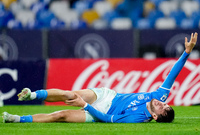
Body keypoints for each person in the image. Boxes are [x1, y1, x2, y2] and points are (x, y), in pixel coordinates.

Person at [2, 32, 198, 123]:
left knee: (60, 115)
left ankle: (17, 119)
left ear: (155, 116)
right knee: (69, 95)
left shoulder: (137, 119)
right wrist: (187, 53)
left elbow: (107, 119)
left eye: (163, 109)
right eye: (167, 104)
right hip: (107, 96)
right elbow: (173, 74)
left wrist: (86, 106)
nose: (164, 104)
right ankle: (32, 95)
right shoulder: (159, 97)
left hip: (97, 115)